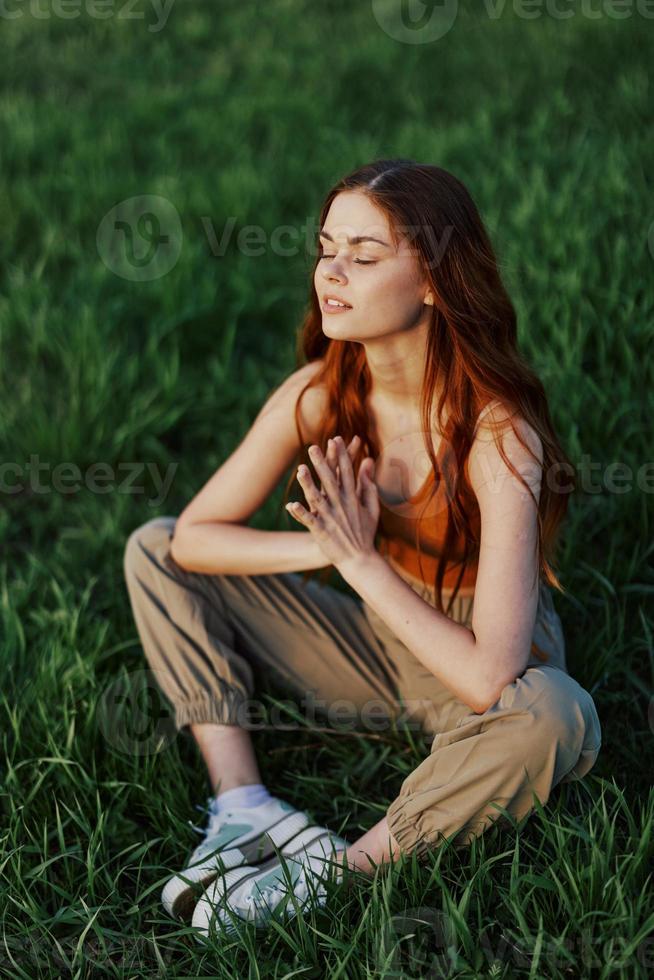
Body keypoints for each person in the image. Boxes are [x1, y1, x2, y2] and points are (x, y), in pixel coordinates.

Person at [123, 158, 602, 940]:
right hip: (377, 647)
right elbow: (196, 536)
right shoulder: (323, 392)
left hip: (474, 663)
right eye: (325, 248)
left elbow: (491, 676)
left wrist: (358, 563)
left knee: (557, 712)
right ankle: (245, 810)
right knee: (155, 548)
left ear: (434, 284)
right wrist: (319, 551)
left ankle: (328, 876)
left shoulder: (495, 433)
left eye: (365, 255)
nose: (331, 274)